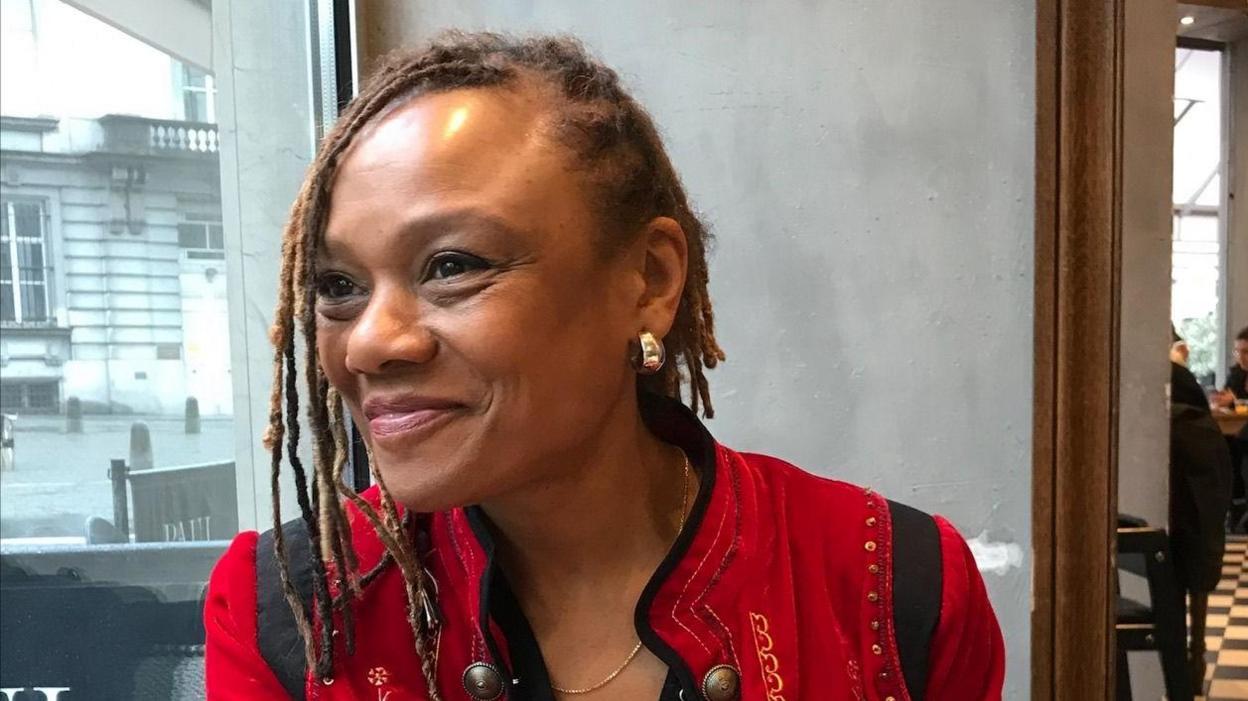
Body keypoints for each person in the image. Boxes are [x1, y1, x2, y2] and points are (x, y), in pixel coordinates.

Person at [203, 33, 1004, 700]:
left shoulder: (891, 585)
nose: (371, 342)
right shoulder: (295, 613)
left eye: (451, 265)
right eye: (339, 286)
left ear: (649, 280)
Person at [1168, 331, 1232, 686]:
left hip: (1170, 522)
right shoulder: (1199, 424)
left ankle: (1182, 662)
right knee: (1195, 576)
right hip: (1200, 523)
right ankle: (1195, 660)